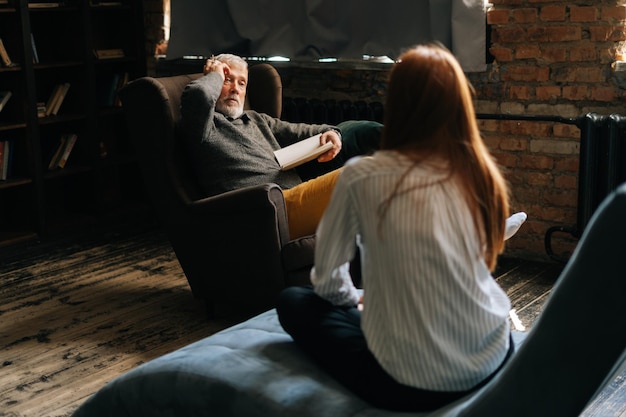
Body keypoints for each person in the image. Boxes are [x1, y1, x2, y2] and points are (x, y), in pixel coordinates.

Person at [276, 43, 527, 412]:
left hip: (412, 383)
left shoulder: (361, 176)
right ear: (458, 103)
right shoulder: (477, 171)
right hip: (494, 352)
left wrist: (357, 301)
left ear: (396, 102)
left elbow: (329, 283)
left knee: (293, 301)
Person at [180, 53, 381, 239]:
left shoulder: (256, 119)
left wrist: (332, 132)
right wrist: (214, 74)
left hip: (298, 196)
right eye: (227, 79)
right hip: (271, 210)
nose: (235, 89)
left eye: (242, 83)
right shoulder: (204, 126)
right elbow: (198, 95)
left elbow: (300, 130)